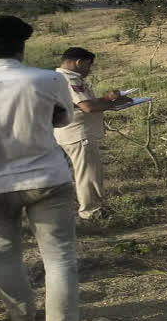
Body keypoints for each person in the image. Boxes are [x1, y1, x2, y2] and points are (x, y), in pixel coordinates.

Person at [0, 16, 80, 321]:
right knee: (59, 259)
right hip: (47, 179)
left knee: (4, 256)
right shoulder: (48, 79)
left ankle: (21, 319)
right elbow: (63, 119)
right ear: (20, 46)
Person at [55, 47, 130, 220]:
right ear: (79, 62)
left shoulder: (56, 78)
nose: (89, 69)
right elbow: (87, 107)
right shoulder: (70, 79)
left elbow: (84, 102)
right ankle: (91, 212)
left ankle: (78, 208)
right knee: (88, 175)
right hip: (78, 134)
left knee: (75, 174)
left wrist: (109, 99)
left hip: (66, 133)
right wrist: (115, 103)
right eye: (88, 65)